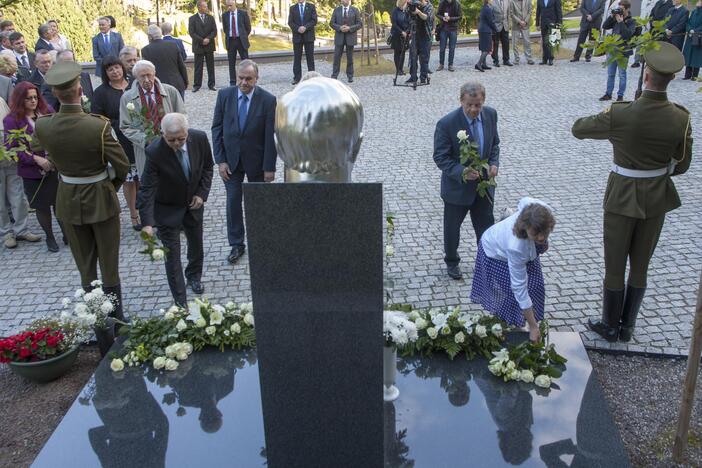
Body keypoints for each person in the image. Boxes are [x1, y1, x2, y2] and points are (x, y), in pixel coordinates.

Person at [572, 42, 692, 343]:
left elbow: (579, 128)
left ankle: (609, 326)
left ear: (646, 74)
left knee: (615, 264)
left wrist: (611, 117)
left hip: (622, 196)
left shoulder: (621, 114)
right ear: (672, 78)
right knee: (640, 265)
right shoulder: (681, 117)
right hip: (657, 198)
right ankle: (627, 327)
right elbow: (682, 165)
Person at [33, 60, 130, 321]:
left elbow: (38, 151)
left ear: (54, 92)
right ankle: (116, 321)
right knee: (109, 264)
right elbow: (122, 166)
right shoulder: (97, 126)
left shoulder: (43, 125)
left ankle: (97, 320)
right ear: (79, 90)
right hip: (101, 198)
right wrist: (109, 187)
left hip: (67, 199)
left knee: (85, 267)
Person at [138, 113, 213, 306]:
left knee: (196, 244)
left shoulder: (200, 138)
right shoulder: (154, 151)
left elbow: (207, 168)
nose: (177, 143)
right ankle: (181, 303)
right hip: (167, 208)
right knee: (172, 257)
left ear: (187, 132)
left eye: (181, 139)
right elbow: (147, 188)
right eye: (171, 140)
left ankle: (194, 275)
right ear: (162, 134)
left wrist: (201, 194)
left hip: (193, 204)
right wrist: (147, 223)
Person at [211, 59, 276, 264]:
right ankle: (236, 244)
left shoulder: (268, 100)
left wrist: (269, 167)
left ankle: (261, 240)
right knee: (233, 203)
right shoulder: (224, 95)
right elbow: (217, 129)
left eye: (249, 79)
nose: (244, 82)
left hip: (256, 162)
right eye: (241, 78)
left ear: (257, 78)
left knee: (258, 203)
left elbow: (270, 136)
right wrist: (220, 160)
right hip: (231, 162)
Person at [433, 82, 499, 280]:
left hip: (483, 187)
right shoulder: (446, 124)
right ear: (461, 101)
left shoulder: (491, 115)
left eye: (477, 105)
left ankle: (487, 263)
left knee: (486, 228)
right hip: (457, 189)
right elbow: (440, 157)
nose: (473, 109)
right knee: (452, 229)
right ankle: (452, 261)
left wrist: (494, 163)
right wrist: (462, 171)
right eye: (469, 105)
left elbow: (494, 144)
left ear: (483, 102)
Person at [471, 198, 555, 342]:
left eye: (544, 232)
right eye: (536, 234)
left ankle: (525, 318)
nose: (541, 237)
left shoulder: (541, 209)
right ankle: (513, 325)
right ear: (525, 227)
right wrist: (534, 327)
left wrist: (543, 241)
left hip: (523, 249)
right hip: (496, 254)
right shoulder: (516, 246)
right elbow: (519, 288)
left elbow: (523, 201)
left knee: (536, 286)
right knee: (511, 294)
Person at [4, 81, 64, 251]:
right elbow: (13, 148)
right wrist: (37, 160)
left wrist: (51, 159)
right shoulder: (12, 120)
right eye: (28, 98)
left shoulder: (46, 112)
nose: (33, 101)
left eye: (35, 97)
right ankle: (50, 237)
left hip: (53, 166)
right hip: (31, 171)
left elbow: (58, 134)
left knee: (58, 202)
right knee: (41, 205)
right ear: (20, 100)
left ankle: (67, 233)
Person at [91, 56, 139, 231]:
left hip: (139, 137)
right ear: (105, 73)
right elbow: (97, 117)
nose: (115, 71)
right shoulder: (101, 92)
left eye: (117, 67)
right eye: (110, 69)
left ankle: (146, 211)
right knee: (129, 180)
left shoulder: (135, 85)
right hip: (118, 140)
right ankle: (134, 214)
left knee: (142, 177)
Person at [119, 60, 185, 177]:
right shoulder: (127, 98)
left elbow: (182, 116)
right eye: (142, 76)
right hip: (146, 150)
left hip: (172, 146)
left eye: (149, 75)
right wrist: (145, 140)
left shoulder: (171, 91)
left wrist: (174, 136)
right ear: (136, 78)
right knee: (151, 183)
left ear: (154, 73)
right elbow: (126, 126)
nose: (146, 80)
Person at [0, 93, 41, 249]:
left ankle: (21, 229)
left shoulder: (0, 101)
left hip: (10, 156)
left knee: (18, 196)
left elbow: (10, 122)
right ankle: (6, 233)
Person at [598, 0, 638, 102]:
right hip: (612, 49)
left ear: (627, 9)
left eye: (622, 9)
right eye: (619, 8)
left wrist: (621, 22)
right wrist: (612, 16)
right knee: (611, 74)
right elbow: (605, 26)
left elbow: (627, 35)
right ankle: (608, 94)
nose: (620, 10)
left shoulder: (632, 21)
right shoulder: (616, 18)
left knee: (622, 74)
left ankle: (620, 96)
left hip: (623, 51)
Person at [141, 24, 188, 99]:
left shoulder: (145, 50)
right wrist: (185, 82)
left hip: (158, 86)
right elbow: (181, 66)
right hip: (177, 83)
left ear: (150, 36)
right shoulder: (173, 45)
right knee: (179, 109)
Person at [632, 0, 673, 67]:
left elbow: (667, 17)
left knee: (653, 46)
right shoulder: (658, 2)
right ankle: (638, 60)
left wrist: (658, 24)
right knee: (640, 43)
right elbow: (652, 13)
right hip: (647, 25)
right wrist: (652, 22)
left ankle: (649, 62)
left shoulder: (670, 3)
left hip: (659, 29)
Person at [330, 0, 363, 82]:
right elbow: (331, 23)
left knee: (350, 58)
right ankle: (334, 76)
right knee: (337, 57)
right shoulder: (336, 10)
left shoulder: (355, 10)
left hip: (350, 37)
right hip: (339, 37)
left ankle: (350, 76)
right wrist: (340, 27)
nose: (344, 0)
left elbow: (359, 24)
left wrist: (350, 28)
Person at [189, 0, 218, 92]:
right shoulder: (192, 19)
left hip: (209, 45)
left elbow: (214, 31)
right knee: (198, 67)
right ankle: (197, 85)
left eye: (206, 6)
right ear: (199, 7)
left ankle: (212, 84)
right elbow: (192, 32)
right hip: (198, 46)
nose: (206, 8)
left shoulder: (211, 18)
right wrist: (202, 40)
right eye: (205, 6)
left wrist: (208, 38)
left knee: (210, 66)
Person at [223, 0, 252, 87]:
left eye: (230, 5)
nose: (229, 8)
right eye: (227, 6)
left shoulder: (243, 13)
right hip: (231, 41)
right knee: (231, 63)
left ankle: (248, 79)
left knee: (246, 62)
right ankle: (232, 81)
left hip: (241, 41)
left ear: (234, 4)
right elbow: (225, 29)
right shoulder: (225, 15)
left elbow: (248, 27)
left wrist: (243, 36)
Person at [289, 0, 318, 85]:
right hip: (297, 36)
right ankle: (297, 78)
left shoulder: (311, 6)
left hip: (308, 36)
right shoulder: (293, 8)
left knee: (310, 58)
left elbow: (314, 20)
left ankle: (312, 77)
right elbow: (290, 22)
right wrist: (298, 28)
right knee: (297, 58)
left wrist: (305, 27)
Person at [406, 0, 433, 84]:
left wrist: (418, 12)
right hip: (415, 34)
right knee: (412, 57)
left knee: (424, 58)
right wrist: (409, 7)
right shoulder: (414, 4)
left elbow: (426, 17)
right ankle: (413, 76)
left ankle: (423, 77)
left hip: (425, 35)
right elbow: (407, 14)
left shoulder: (429, 6)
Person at [436, 0, 462, 71]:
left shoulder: (457, 3)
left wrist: (450, 18)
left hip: (453, 29)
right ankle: (441, 64)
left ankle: (450, 65)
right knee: (442, 48)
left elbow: (460, 16)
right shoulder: (442, 3)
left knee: (452, 48)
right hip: (443, 28)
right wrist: (442, 18)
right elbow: (437, 14)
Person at [535, 0, 562, 65]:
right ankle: (544, 59)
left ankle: (551, 59)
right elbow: (538, 12)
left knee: (552, 41)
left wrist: (559, 23)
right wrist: (537, 24)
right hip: (543, 24)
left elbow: (559, 11)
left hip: (553, 22)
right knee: (544, 42)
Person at [510, 0, 534, 65]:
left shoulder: (528, 1)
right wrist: (520, 21)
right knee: (515, 43)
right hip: (516, 25)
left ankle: (529, 59)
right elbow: (511, 13)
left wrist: (525, 21)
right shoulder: (512, 1)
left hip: (526, 25)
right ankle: (516, 59)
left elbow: (530, 12)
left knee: (527, 42)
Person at [682, 0, 702, 79]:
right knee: (688, 55)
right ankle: (687, 75)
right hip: (690, 36)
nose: (698, 2)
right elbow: (688, 22)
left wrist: (696, 31)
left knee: (696, 56)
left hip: (698, 36)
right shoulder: (693, 11)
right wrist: (689, 29)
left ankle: (694, 76)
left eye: (699, 1)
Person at [476, 0, 498, 72]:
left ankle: (484, 64)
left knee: (483, 48)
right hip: (486, 30)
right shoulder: (488, 9)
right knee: (487, 48)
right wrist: (495, 29)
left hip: (482, 30)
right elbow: (491, 21)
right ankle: (479, 64)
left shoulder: (484, 8)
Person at [390, 0, 410, 75]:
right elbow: (394, 24)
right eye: (405, 4)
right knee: (397, 52)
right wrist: (402, 32)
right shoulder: (395, 11)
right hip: (397, 34)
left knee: (403, 52)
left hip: (405, 34)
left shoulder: (407, 11)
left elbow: (409, 22)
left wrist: (407, 31)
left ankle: (401, 69)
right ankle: (398, 69)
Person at [491, 0, 512, 67]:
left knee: (506, 43)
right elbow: (491, 15)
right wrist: (492, 26)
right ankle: (496, 61)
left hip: (505, 26)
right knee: (496, 44)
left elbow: (508, 13)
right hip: (496, 26)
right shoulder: (492, 2)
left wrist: (509, 24)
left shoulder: (507, 1)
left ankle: (506, 60)